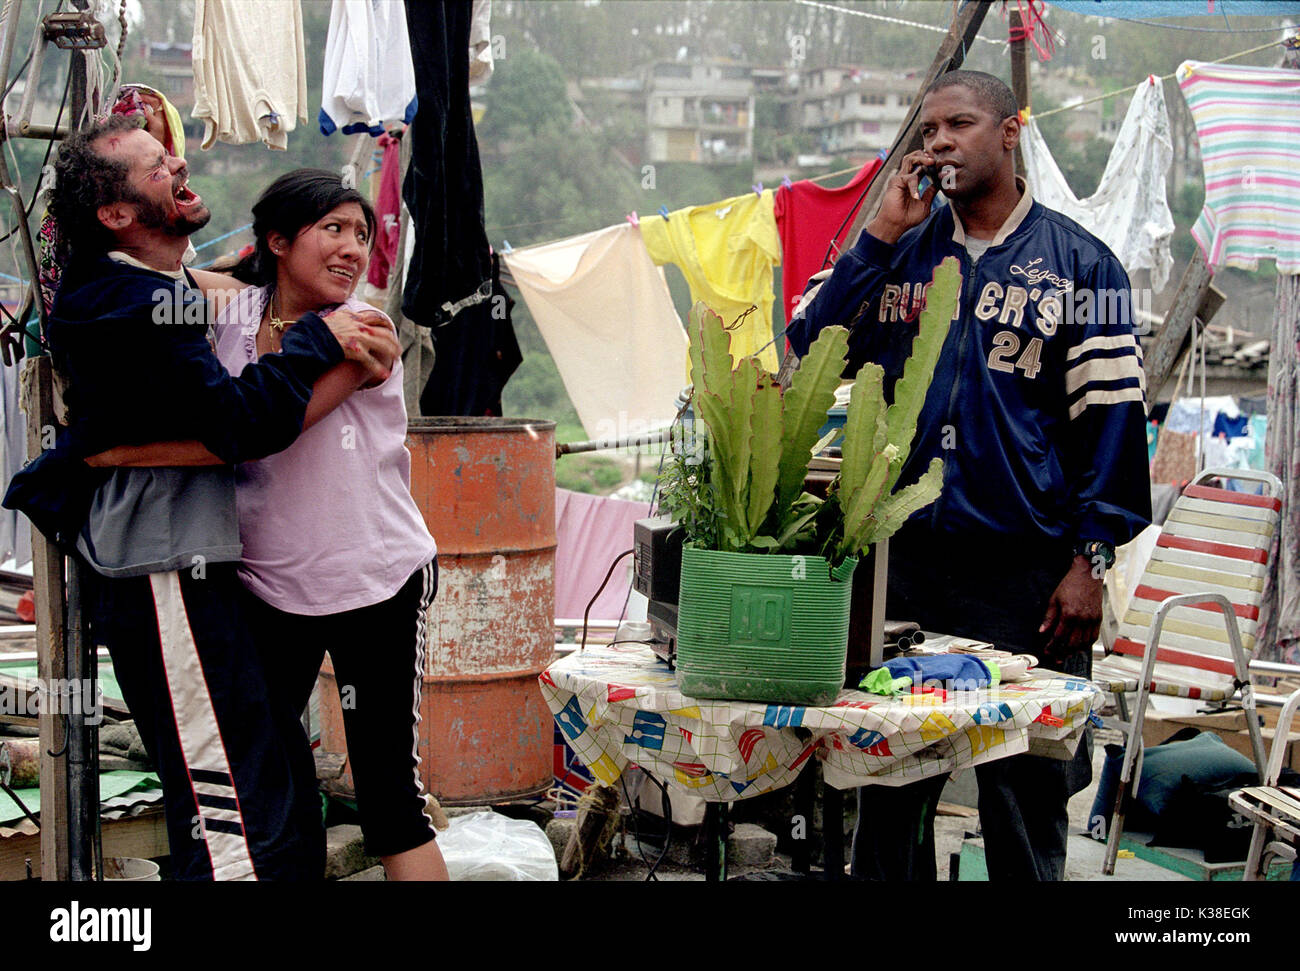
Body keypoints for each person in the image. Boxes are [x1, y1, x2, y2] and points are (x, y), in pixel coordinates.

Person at [4, 115, 401, 880]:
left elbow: (224, 304)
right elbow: (239, 423)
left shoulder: (158, 284)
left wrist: (304, 309)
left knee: (273, 791)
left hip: (194, 566)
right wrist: (323, 340)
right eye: (158, 166)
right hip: (163, 567)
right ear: (117, 215)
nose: (180, 164)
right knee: (234, 821)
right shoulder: (125, 301)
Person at [787, 70, 1152, 881]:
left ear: (1010, 130)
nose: (940, 141)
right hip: (903, 569)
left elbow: (1114, 429)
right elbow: (807, 349)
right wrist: (879, 240)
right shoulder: (898, 253)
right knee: (889, 792)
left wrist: (1090, 561)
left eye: (960, 124)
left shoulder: (1082, 269)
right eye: (929, 129)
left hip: (1028, 583)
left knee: (1023, 799)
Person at [94, 170, 449, 881]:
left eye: (360, 232)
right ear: (280, 242)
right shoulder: (231, 311)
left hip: (374, 582)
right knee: (272, 781)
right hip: (269, 590)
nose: (353, 248)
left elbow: (257, 432)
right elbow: (150, 277)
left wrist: (114, 454)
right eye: (334, 230)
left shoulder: (365, 332)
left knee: (389, 801)